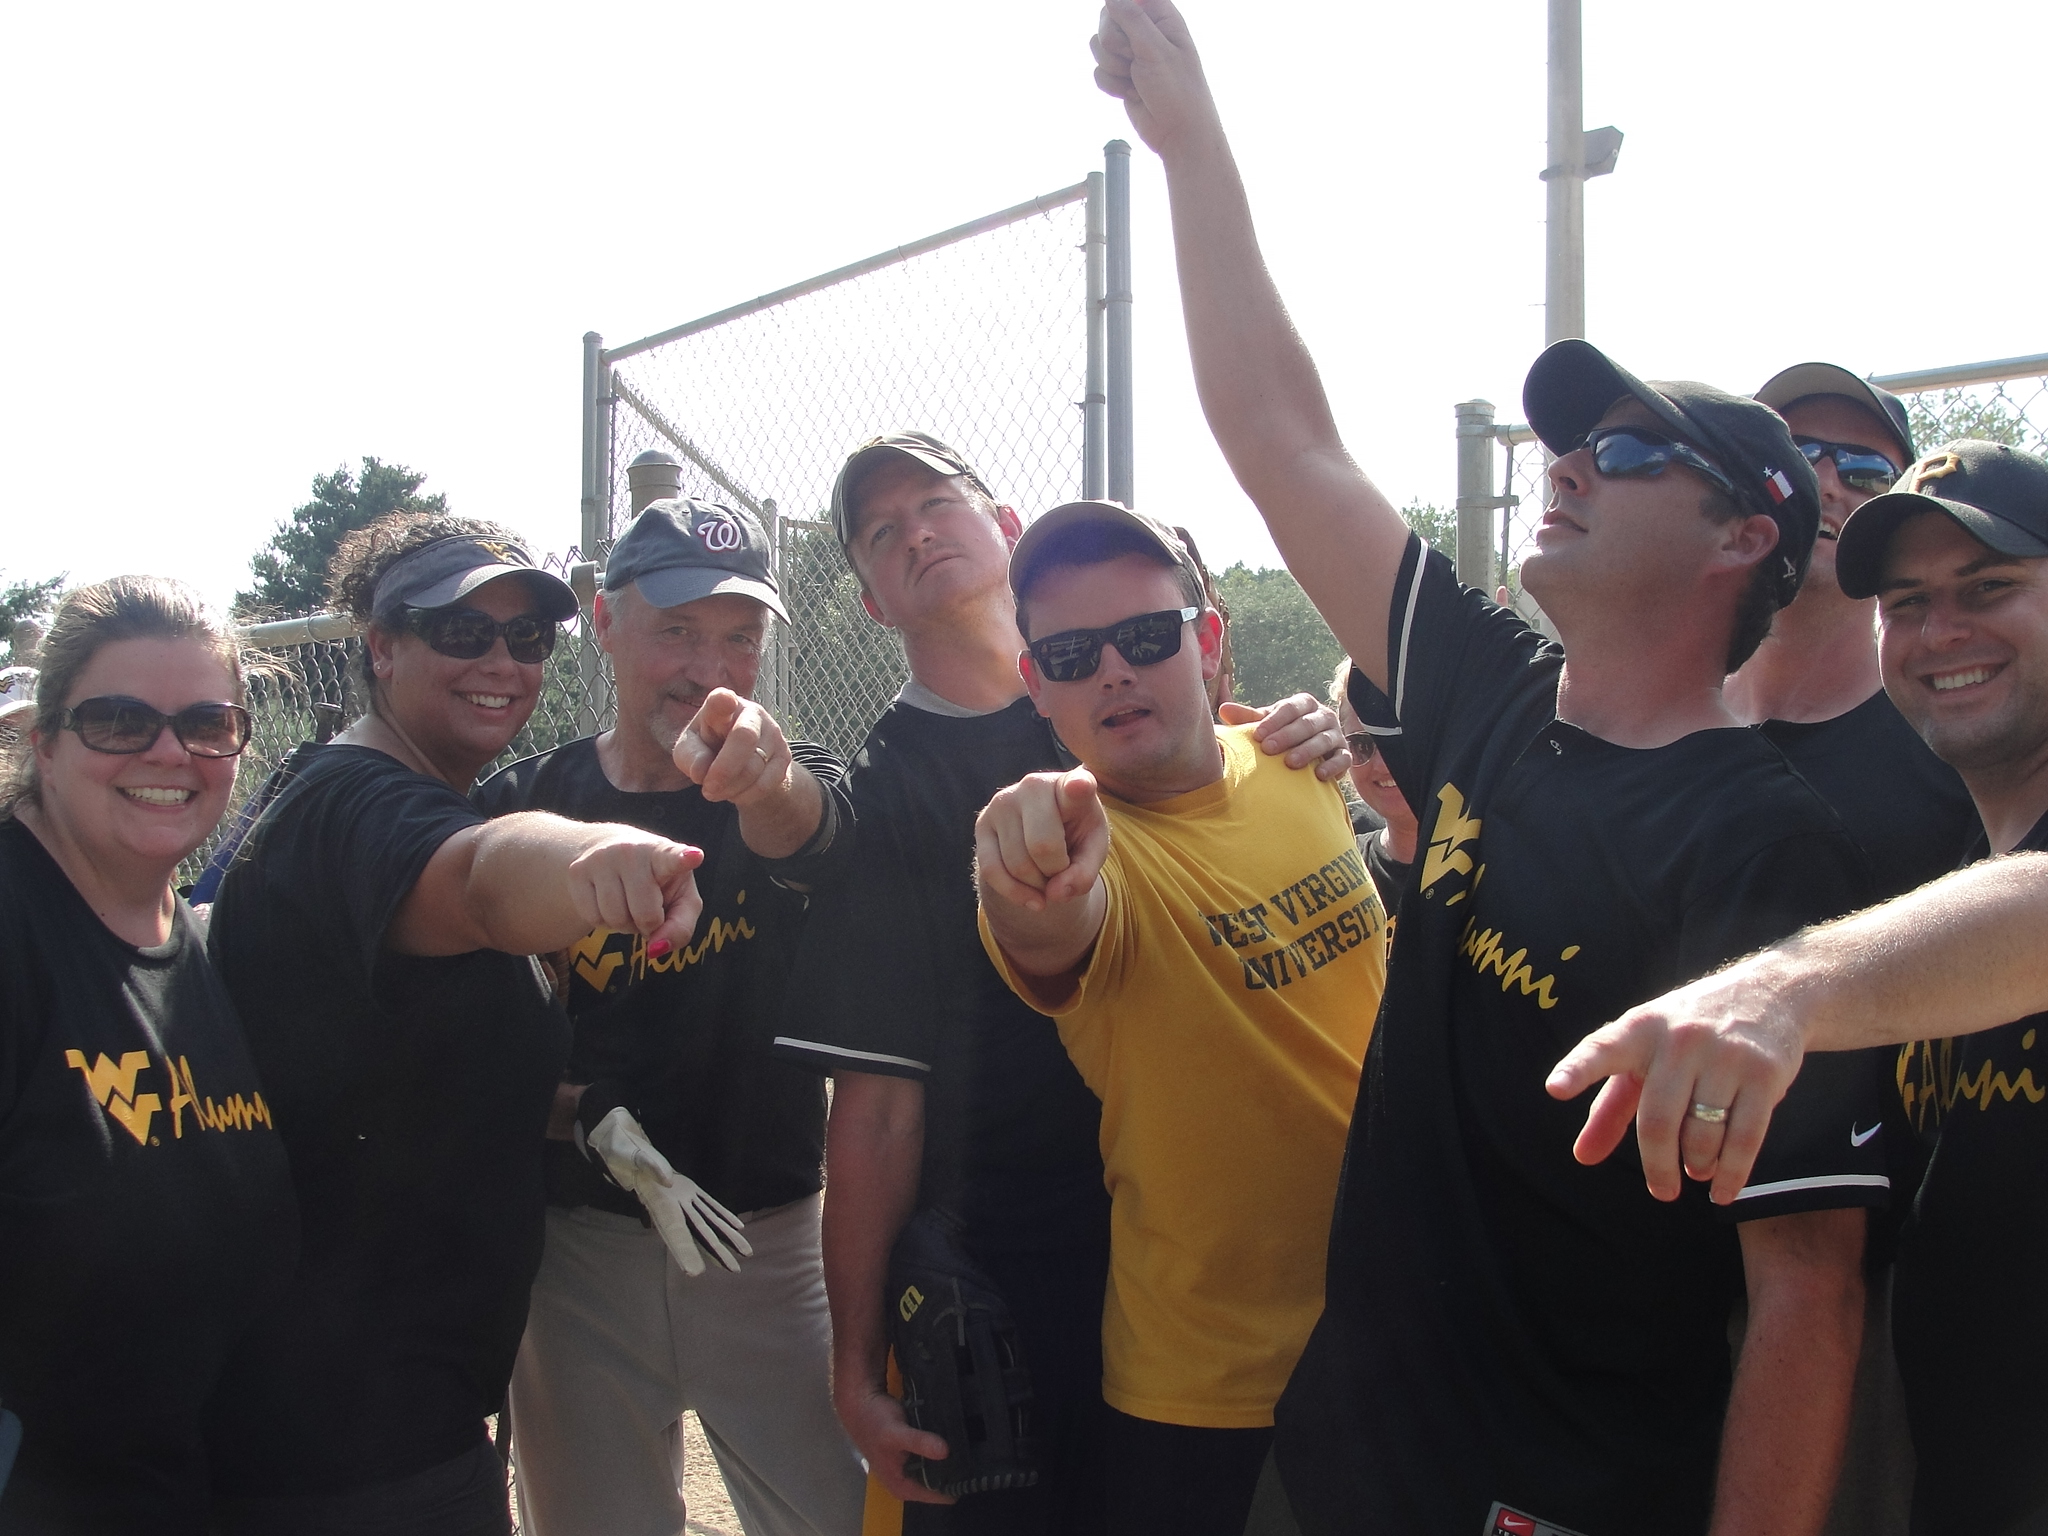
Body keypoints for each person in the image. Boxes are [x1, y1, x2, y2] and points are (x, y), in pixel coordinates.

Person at [1094, 5, 1893, 1532]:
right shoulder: (1491, 699)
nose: (1569, 463)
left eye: (1632, 451)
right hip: (1344, 1463)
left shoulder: (1768, 855)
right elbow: (1282, 435)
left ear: (1748, 540)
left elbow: (1807, 1294)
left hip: (1561, 1502)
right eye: (1568, 442)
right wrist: (1195, 145)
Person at [775, 431, 1350, 1534]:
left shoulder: (1185, 731)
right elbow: (875, 1110)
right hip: (1019, 1278)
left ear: (1000, 530)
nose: (916, 534)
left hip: (1219, 1274)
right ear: (868, 605)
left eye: (935, 503)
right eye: (879, 534)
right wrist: (855, 1370)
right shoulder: (896, 800)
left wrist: (1291, 736)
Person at [1552, 440, 2048, 1536]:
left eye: (1989, 588)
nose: (1940, 632)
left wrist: (1785, 988)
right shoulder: (1957, 881)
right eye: (1906, 603)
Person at [203, 514, 707, 1536]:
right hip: (343, 1436)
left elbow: (381, 1063)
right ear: (380, 647)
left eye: (526, 639)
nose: (502, 662)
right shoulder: (355, 803)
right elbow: (480, 884)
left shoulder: (368, 791)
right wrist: (596, 852)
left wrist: (575, 1110)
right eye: (461, 632)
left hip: (388, 1408)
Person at [973, 503, 1381, 1534]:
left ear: (1203, 643)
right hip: (1209, 1395)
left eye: (1145, 637)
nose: (1112, 670)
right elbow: (1048, 927)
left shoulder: (1290, 756)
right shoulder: (1087, 855)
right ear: (1037, 689)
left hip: (1398, 1328)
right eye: (1070, 654)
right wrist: (1023, 872)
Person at [474, 499, 865, 1536]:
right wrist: (578, 1111)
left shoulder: (789, 774)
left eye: (739, 635)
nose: (710, 665)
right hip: (579, 1253)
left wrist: (765, 782)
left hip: (767, 1240)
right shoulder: (526, 804)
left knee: (835, 1513)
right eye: (677, 630)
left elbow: (806, 828)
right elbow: (465, 1042)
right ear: (603, 623)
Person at [1728, 368, 1978, 1536]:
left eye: (1863, 468)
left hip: (1873, 1291)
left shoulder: (1960, 728)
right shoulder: (1652, 719)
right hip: (1636, 1289)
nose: (1825, 479)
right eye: (1793, 451)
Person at [0, 576, 295, 1534]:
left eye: (207, 723)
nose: (170, 751)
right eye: (120, 720)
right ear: (44, 740)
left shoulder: (196, 945)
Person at [1331, 655, 1415, 912]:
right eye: (1362, 745)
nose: (1382, 765)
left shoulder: (1502, 858)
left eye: (1397, 741)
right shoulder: (1336, 872)